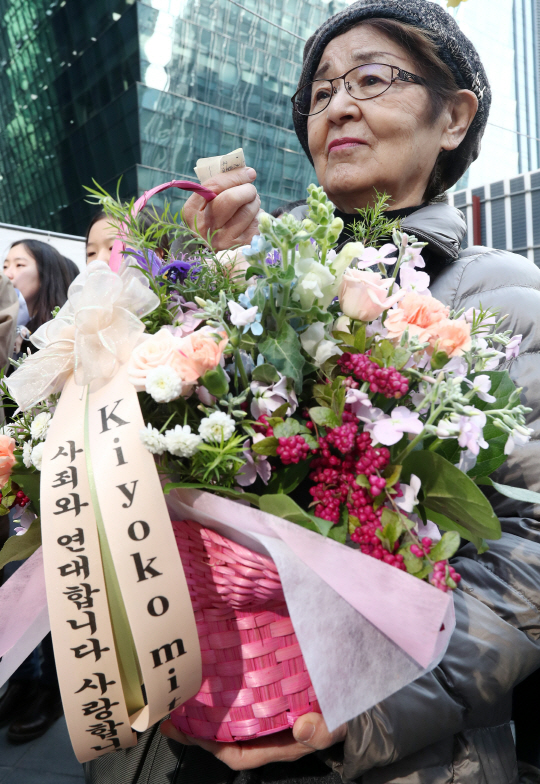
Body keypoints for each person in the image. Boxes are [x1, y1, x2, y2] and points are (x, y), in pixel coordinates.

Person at [85, 2, 540, 782]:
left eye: (371, 77)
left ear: (455, 117)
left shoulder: (498, 299)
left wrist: (370, 700)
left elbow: (528, 551)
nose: (340, 106)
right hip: (214, 721)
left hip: (409, 756)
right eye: (320, 92)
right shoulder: (256, 277)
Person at [0, 238, 79, 744]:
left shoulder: (48, 341)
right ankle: (23, 684)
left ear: (45, 275)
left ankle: (50, 691)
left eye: (19, 264)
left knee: (35, 580)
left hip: (38, 491)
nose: (7, 270)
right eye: (4, 263)